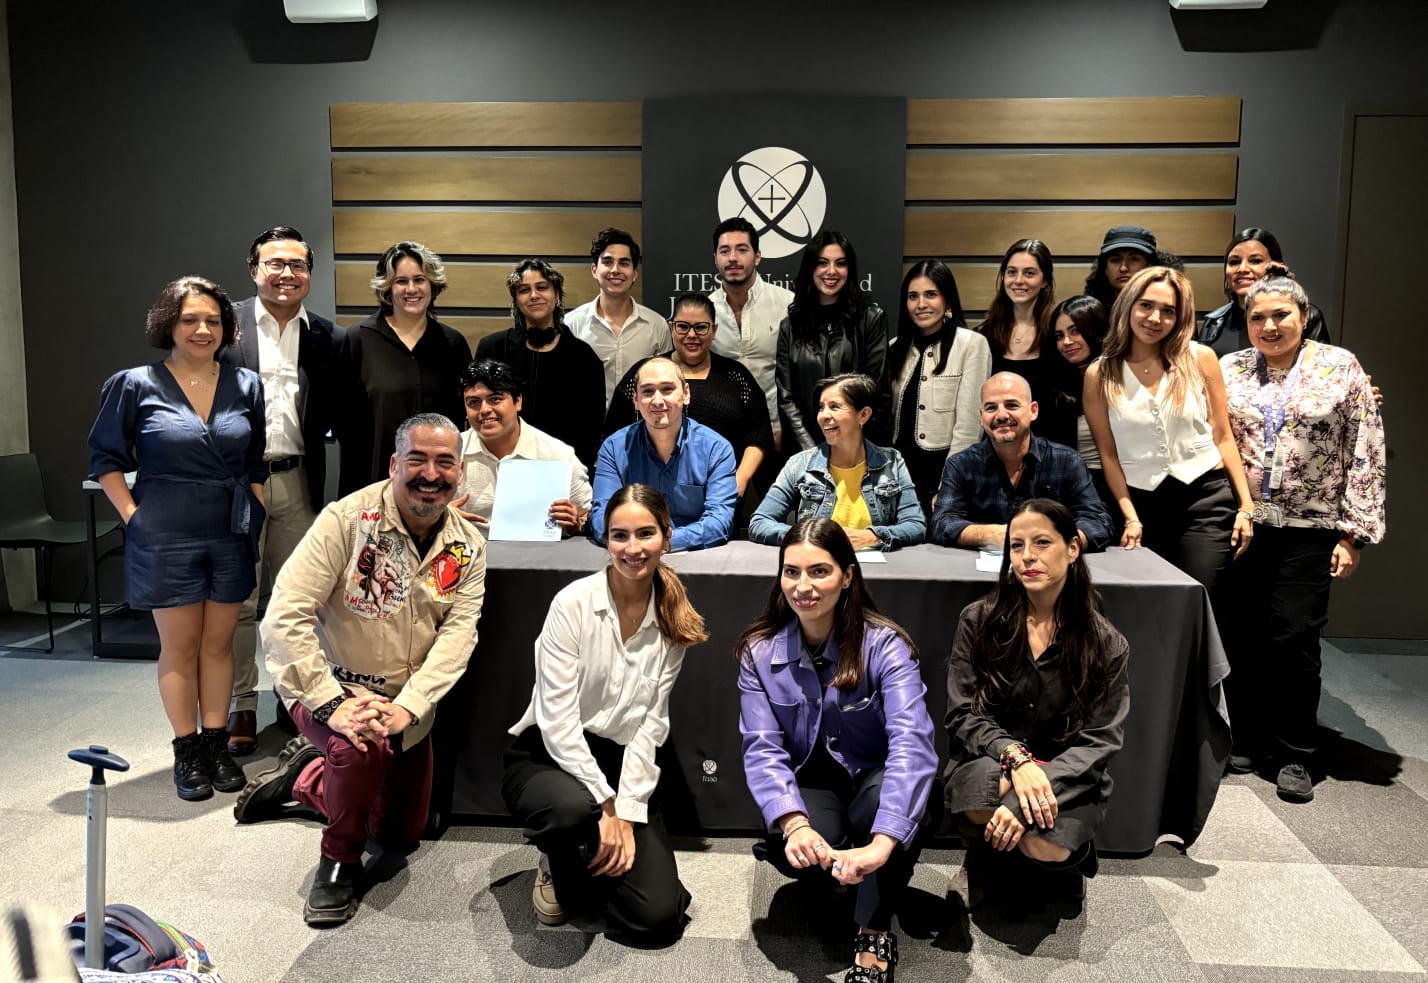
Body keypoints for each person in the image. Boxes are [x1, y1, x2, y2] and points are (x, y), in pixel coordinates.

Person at [235, 414, 485, 927]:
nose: (430, 474)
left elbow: (458, 636)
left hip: (404, 704)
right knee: (357, 745)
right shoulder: (346, 521)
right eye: (417, 459)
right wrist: (332, 704)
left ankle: (307, 777)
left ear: (460, 473)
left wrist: (409, 707)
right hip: (331, 686)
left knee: (399, 835)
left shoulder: (466, 545)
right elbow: (284, 615)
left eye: (445, 462)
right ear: (394, 464)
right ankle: (339, 860)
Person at [736, 519, 938, 983]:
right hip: (813, 788)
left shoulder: (886, 646)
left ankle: (874, 930)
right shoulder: (758, 651)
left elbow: (912, 742)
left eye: (819, 571)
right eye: (791, 572)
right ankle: (845, 877)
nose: (802, 586)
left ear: (847, 576)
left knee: (893, 808)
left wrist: (883, 842)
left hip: (876, 783)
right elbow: (762, 749)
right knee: (796, 846)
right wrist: (794, 824)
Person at [502, 484, 705, 943]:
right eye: (620, 535)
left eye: (645, 534)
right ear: (606, 540)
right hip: (548, 756)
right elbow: (557, 722)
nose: (633, 548)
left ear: (666, 538)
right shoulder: (572, 604)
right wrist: (604, 805)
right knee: (571, 811)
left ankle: (582, 855)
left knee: (657, 918)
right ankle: (558, 856)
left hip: (618, 760)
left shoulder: (674, 619)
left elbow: (649, 729)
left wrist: (627, 813)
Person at [89, 276, 266, 801]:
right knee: (180, 646)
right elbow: (105, 459)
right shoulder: (134, 384)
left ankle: (215, 744)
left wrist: (256, 508)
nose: (202, 329)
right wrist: (133, 517)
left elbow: (255, 460)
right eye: (190, 319)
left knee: (219, 644)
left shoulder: (246, 384)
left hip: (230, 530)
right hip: (165, 531)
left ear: (226, 327)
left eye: (213, 320)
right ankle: (187, 750)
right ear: (168, 324)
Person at [1219, 275, 1386, 801]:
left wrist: (1352, 536)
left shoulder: (1340, 367)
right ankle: (1246, 737)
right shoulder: (1229, 368)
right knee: (1241, 634)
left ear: (1304, 315)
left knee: (1294, 637)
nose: (1269, 326)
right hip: (1247, 522)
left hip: (1311, 527)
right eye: (1257, 318)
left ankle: (1295, 750)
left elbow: (1366, 448)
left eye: (1280, 316)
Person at [944, 499, 1129, 906]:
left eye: (1042, 542)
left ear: (1073, 549)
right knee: (981, 798)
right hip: (995, 760)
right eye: (1017, 545)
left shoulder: (1106, 643)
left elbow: (1100, 740)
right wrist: (1017, 760)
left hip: (1067, 773)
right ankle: (985, 862)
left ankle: (1059, 860)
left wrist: (1028, 790)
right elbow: (962, 713)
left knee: (1046, 845)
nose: (1027, 556)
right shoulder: (978, 620)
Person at [219, 225, 345, 756]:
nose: (287, 273)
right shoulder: (224, 325)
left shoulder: (327, 337)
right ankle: (241, 703)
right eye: (275, 263)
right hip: (236, 484)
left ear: (309, 274)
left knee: (299, 600)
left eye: (297, 265)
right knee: (239, 601)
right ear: (254, 271)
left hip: (298, 480)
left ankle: (294, 699)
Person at [1082, 265, 1256, 599]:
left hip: (1204, 498)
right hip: (1141, 503)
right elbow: (1108, 455)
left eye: (1168, 311)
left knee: (1199, 593)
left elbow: (1223, 435)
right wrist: (1130, 518)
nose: (1155, 318)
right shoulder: (1099, 374)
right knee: (1150, 602)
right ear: (1129, 305)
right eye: (1146, 305)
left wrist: (1246, 506)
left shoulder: (1200, 358)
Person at [605, 292, 774, 504]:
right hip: (647, 497)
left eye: (701, 327)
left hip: (721, 495)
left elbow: (758, 435)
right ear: (671, 327)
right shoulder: (644, 374)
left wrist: (739, 479)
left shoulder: (736, 376)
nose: (691, 335)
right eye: (683, 326)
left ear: (714, 330)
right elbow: (615, 437)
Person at [336, 241, 472, 494]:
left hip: (436, 484)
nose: (411, 289)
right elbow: (344, 422)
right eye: (401, 281)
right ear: (387, 287)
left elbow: (463, 420)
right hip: (374, 483)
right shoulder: (358, 339)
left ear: (432, 284)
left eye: (419, 279)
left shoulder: (453, 344)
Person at [930, 373, 1112, 551]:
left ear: (1033, 411)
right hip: (977, 569)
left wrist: (1051, 542)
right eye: (991, 408)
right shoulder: (960, 465)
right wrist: (994, 534)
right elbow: (941, 522)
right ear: (981, 416)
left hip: (1051, 567)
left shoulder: (1067, 461)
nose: (1001, 415)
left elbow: (1098, 521)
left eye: (1012, 405)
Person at [750, 374, 925, 551]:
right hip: (818, 561)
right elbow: (760, 522)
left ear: (863, 415)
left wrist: (872, 536)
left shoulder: (892, 462)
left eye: (834, 407)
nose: (824, 415)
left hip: (877, 562)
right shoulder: (800, 464)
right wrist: (810, 536)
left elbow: (915, 525)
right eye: (821, 407)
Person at [591, 358, 738, 550]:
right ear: (636, 400)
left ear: (686, 394)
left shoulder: (717, 449)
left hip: (698, 557)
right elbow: (602, 518)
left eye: (667, 389)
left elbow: (719, 522)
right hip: (631, 554)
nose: (658, 400)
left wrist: (661, 542)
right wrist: (642, 543)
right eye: (648, 391)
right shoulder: (613, 449)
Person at [476, 258, 606, 471]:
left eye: (542, 287)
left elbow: (592, 428)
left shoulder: (584, 358)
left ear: (557, 295)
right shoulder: (493, 349)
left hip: (563, 469)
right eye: (524, 290)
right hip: (500, 465)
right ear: (516, 300)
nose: (534, 295)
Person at [888, 260, 992, 515]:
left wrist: (950, 485)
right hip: (899, 477)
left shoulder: (971, 344)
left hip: (942, 474)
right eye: (913, 296)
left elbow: (969, 427)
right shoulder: (895, 348)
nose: (921, 304)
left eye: (931, 294)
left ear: (947, 299)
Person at [776, 230, 890, 451]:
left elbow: (877, 393)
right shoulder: (791, 326)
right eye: (822, 263)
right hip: (804, 451)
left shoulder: (870, 319)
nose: (831, 271)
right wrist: (811, 452)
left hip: (857, 450)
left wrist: (850, 448)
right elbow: (786, 399)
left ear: (850, 270)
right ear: (810, 268)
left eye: (840, 263)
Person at [453, 358, 592, 537]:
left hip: (538, 553)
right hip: (464, 551)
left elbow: (588, 515)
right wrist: (440, 516)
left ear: (518, 401)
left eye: (495, 399)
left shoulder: (559, 455)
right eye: (473, 402)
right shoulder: (450, 453)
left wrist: (577, 524)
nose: (484, 410)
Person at [708, 217, 793, 451]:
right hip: (721, 435)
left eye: (742, 249)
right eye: (724, 251)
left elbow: (798, 375)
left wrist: (782, 429)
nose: (732, 258)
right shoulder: (705, 312)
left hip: (778, 434)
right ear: (715, 258)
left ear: (757, 256)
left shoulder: (788, 305)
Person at [977, 239, 1071, 448]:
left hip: (1050, 449)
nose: (1018, 280)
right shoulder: (983, 335)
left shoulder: (1057, 333)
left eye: (1029, 273)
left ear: (1045, 281)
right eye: (1012, 272)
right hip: (997, 448)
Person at [565, 227, 673, 405]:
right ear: (594, 270)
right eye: (608, 262)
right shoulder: (571, 324)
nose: (615, 270)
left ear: (634, 274)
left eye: (624, 263)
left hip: (641, 420)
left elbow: (666, 382)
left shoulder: (657, 325)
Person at [1199, 227, 1332, 357]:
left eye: (1255, 261)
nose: (1242, 268)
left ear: (1276, 265)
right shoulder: (1214, 321)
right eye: (1234, 262)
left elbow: (1322, 365)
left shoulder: (1308, 316)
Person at [1048, 295, 1119, 527]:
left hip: (1124, 487)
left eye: (1075, 331)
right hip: (1073, 490)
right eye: (1059, 336)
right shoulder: (1054, 386)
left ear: (1095, 330)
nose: (1066, 342)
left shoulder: (1121, 377)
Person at [1083, 224, 1156, 310]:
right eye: (1115, 260)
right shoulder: (1091, 314)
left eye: (1134, 259)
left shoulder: (1163, 312)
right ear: (1105, 269)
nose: (1123, 268)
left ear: (1149, 267)